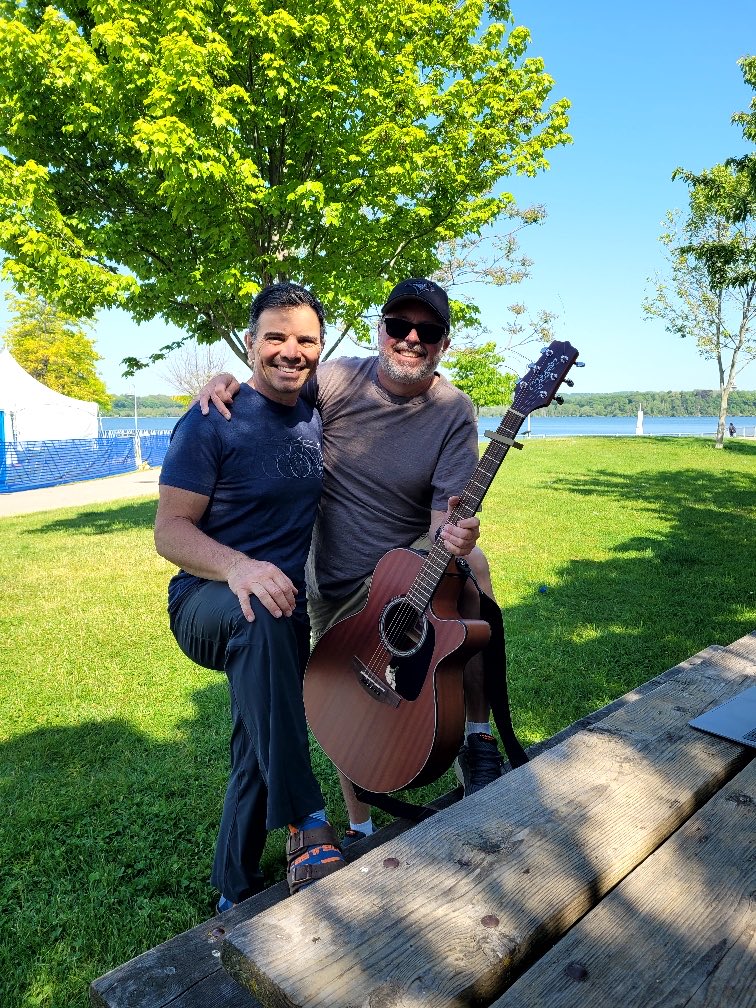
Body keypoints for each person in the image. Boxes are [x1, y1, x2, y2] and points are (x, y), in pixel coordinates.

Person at [199, 277, 511, 842]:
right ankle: (362, 827)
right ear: (381, 329)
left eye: (428, 330)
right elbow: (276, 386)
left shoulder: (454, 411)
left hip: (404, 566)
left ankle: (477, 737)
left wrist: (454, 537)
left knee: (477, 565)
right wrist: (227, 383)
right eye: (400, 325)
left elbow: (446, 512)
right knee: (349, 703)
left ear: (443, 343)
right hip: (333, 582)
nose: (411, 338)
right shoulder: (339, 378)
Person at [154, 282, 347, 910]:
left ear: (320, 348)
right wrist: (236, 566)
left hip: (278, 613)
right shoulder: (213, 420)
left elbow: (388, 379)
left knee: (257, 731)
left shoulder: (319, 410)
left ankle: (233, 890)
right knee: (263, 623)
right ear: (250, 343)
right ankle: (307, 818)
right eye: (275, 337)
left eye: (305, 340)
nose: (290, 351)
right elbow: (169, 531)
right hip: (207, 600)